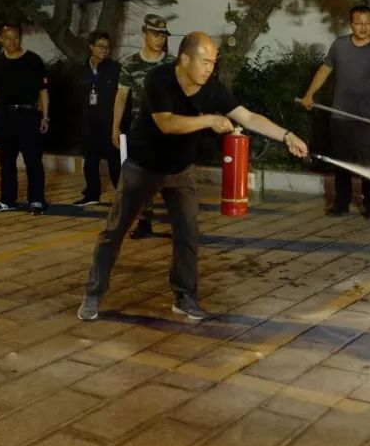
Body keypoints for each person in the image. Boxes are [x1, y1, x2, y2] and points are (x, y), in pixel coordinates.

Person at [79, 31, 309, 322]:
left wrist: (287, 136)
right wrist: (210, 119)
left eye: (214, 62)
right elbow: (167, 124)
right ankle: (93, 294)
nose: (210, 68)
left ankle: (184, 296)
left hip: (181, 171)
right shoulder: (159, 79)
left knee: (188, 235)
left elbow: (248, 117)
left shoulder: (212, 88)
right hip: (143, 168)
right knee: (114, 232)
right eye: (205, 61)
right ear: (185, 59)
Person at [300, 4, 370, 221]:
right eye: (359, 23)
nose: (364, 27)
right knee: (341, 162)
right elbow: (325, 70)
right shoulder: (339, 46)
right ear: (351, 24)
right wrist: (309, 94)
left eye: (368, 23)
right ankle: (341, 203)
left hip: (368, 119)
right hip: (340, 116)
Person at [111, 14, 175, 238]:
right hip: (142, 131)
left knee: (171, 177)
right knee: (139, 179)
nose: (160, 39)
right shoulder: (130, 64)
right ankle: (143, 221)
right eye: (155, 34)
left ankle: (180, 222)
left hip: (168, 130)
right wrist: (115, 127)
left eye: (163, 35)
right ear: (144, 34)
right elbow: (121, 97)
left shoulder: (172, 64)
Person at [0, 23, 50, 215]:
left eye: (16, 37)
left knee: (33, 161)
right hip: (6, 117)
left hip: (28, 116)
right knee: (7, 161)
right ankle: (7, 199)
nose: (13, 42)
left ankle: (36, 200)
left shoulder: (33, 60)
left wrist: (45, 116)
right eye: (8, 38)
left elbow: (43, 91)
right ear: (0, 39)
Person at [73, 31, 122, 206]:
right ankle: (92, 194)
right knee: (90, 162)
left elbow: (122, 98)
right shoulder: (82, 70)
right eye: (101, 46)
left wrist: (119, 125)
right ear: (91, 47)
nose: (105, 50)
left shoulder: (115, 69)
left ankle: (123, 197)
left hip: (109, 124)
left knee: (116, 163)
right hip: (89, 126)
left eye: (107, 47)